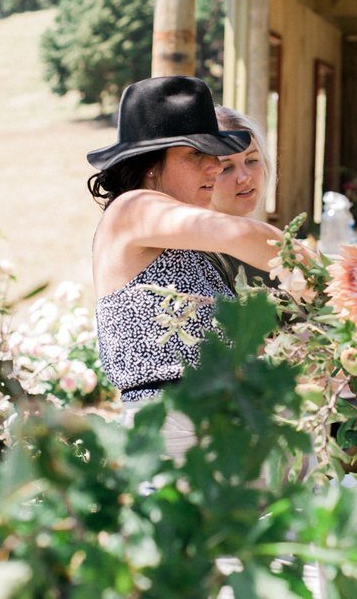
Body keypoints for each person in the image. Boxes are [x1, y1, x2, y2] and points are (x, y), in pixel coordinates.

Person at [88, 76, 282, 458]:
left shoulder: (186, 243)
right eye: (197, 154)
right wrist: (337, 278)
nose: (214, 167)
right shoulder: (132, 208)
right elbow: (239, 234)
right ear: (149, 163)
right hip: (172, 430)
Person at [206, 105, 276, 289]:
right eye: (226, 168)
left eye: (251, 160)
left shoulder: (268, 240)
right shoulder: (201, 258)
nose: (245, 177)